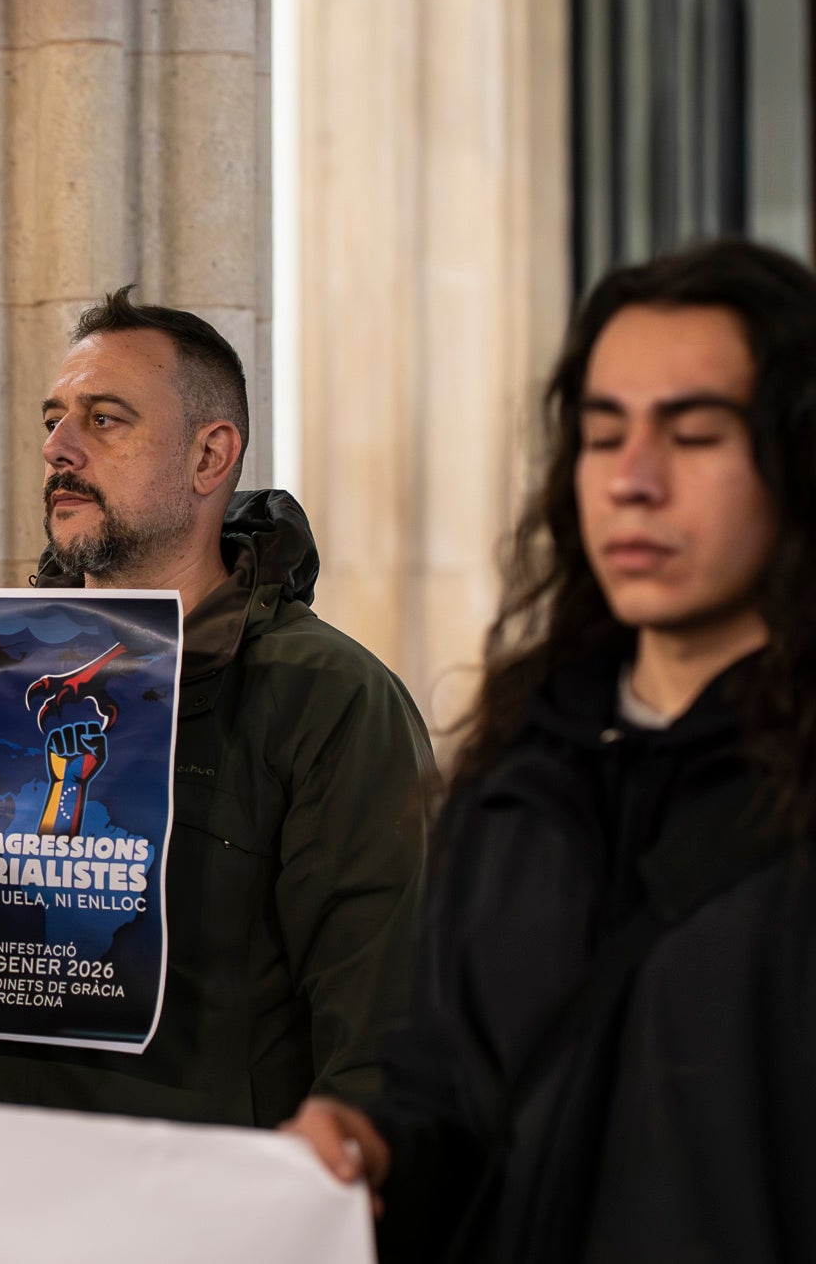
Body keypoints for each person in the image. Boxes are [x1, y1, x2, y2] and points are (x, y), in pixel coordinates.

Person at [285, 240, 816, 1263]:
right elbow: (453, 1095)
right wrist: (378, 1147)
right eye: (602, 435)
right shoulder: (523, 771)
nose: (634, 480)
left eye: (694, 434)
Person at [0, 288, 432, 1124]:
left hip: (185, 1189)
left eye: (104, 420)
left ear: (209, 457)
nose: (57, 448)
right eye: (53, 420)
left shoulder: (325, 696)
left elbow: (383, 1024)